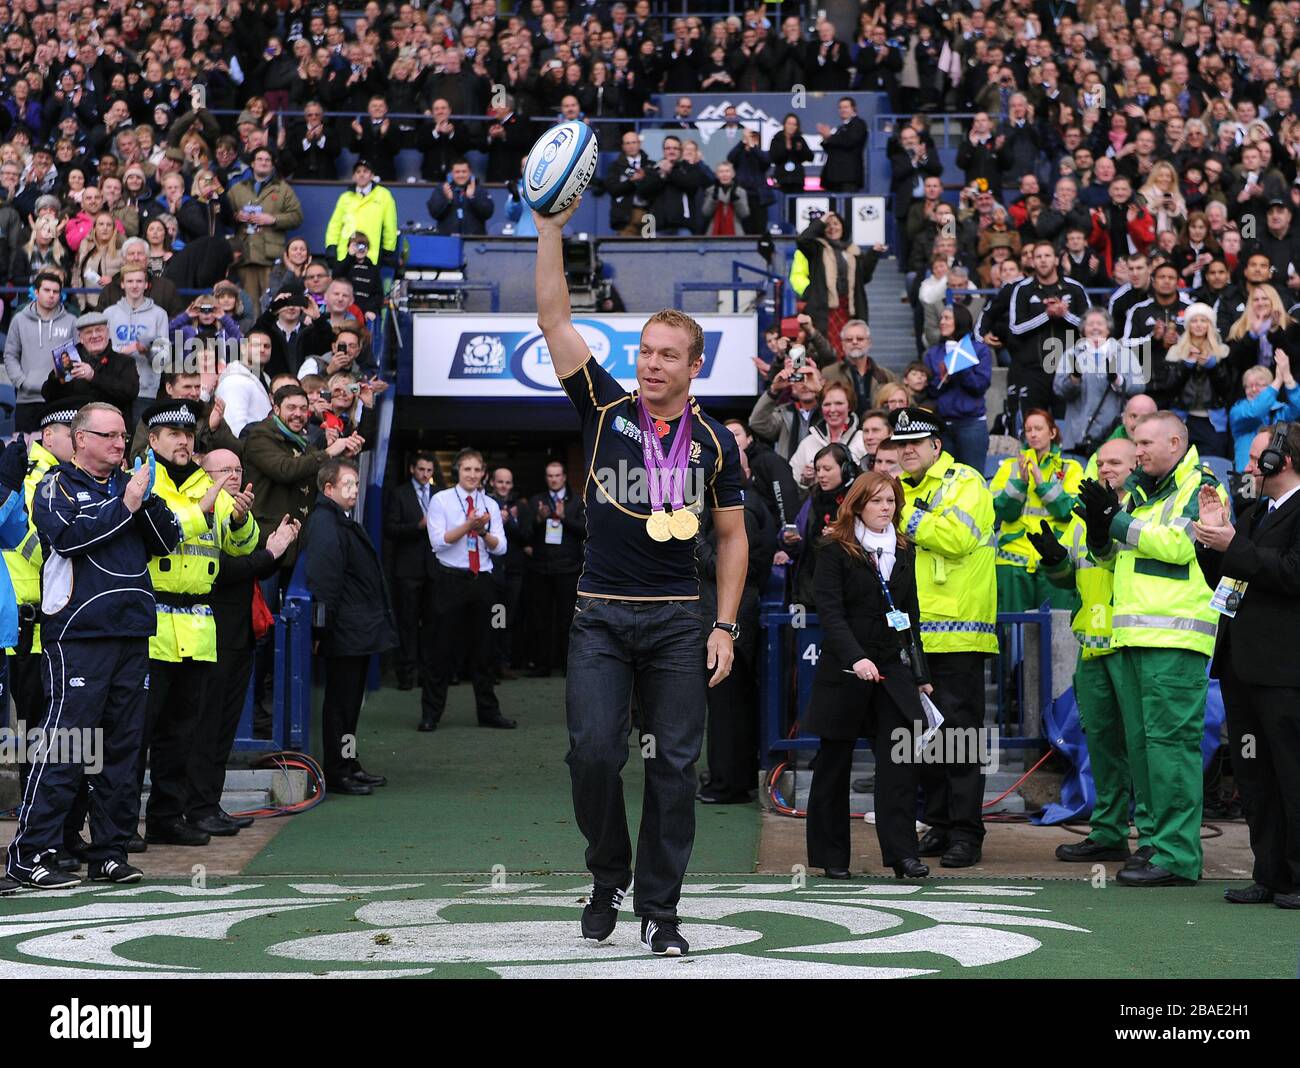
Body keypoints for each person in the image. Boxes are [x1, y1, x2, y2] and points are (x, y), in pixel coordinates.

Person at [535, 195, 747, 958]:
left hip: (676, 623)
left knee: (675, 770)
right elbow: (556, 321)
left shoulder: (716, 443)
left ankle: (661, 909)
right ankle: (606, 875)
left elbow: (732, 537)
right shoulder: (602, 406)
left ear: (695, 366)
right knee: (593, 753)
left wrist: (724, 624)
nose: (651, 363)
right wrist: (551, 229)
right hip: (599, 616)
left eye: (667, 355)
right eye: (646, 351)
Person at [6, 402, 182, 889]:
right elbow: (65, 537)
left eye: (124, 436)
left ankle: (109, 851)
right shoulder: (55, 487)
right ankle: (31, 852)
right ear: (81, 439)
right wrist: (123, 504)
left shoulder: (134, 484)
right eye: (108, 436)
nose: (120, 444)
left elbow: (168, 543)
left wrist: (144, 501)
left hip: (131, 632)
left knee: (122, 751)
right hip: (78, 635)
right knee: (66, 746)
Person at [1074, 411, 1226, 886]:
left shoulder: (1203, 486)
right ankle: (1155, 844)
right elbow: (1115, 557)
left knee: (1171, 750)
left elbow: (1182, 545)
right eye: (1135, 444)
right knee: (1144, 750)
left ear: (1175, 441)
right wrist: (1101, 532)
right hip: (1136, 638)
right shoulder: (1144, 490)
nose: (1136, 452)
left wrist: (1115, 522)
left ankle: (1177, 857)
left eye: (1143, 443)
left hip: (1176, 640)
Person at [135, 399, 259, 845]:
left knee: (180, 735)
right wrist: (203, 504)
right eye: (173, 434)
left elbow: (241, 546)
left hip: (198, 628)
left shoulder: (210, 485)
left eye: (189, 434)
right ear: (153, 440)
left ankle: (168, 819)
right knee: (138, 735)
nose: (184, 441)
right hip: (152, 627)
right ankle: (123, 824)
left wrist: (241, 519)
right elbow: (157, 535)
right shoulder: (143, 480)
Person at [804, 470, 932, 879]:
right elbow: (830, 612)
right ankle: (831, 858)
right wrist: (857, 658)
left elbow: (910, 616)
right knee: (834, 762)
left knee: (900, 760)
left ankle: (903, 855)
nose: (885, 509)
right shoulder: (833, 549)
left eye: (890, 501)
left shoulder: (905, 550)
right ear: (858, 505)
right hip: (847, 668)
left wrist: (920, 672)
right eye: (876, 501)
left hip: (892, 666)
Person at [1195, 423, 1300, 909]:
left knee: (1291, 775)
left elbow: (1289, 574)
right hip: (1241, 669)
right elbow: (1227, 579)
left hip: (1284, 673)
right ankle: (1267, 872)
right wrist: (1209, 541)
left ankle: (1296, 879)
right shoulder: (1256, 513)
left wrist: (1233, 542)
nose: (1252, 465)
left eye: (1261, 457)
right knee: (1254, 775)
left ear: (1285, 460)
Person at [890, 405, 997, 868]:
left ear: (937, 445)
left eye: (916, 442)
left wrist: (900, 514)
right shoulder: (905, 490)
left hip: (959, 636)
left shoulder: (965, 482)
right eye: (901, 444)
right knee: (926, 738)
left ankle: (966, 834)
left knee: (960, 739)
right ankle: (939, 823)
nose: (907, 450)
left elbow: (955, 538)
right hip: (916, 637)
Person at [1037, 438, 1152, 866]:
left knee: (1139, 745)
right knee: (1101, 745)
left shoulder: (1143, 506)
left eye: (1115, 462)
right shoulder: (1084, 512)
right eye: (1100, 462)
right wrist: (1053, 560)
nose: (1106, 468)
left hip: (1130, 642)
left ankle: (1154, 838)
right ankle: (1108, 832)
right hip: (1093, 642)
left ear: (1134, 464)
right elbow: (1071, 576)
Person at [189, 456, 299, 834]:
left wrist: (274, 548)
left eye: (238, 470)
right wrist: (269, 553)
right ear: (206, 475)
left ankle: (208, 803)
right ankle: (195, 807)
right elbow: (220, 571)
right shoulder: (200, 508)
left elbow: (252, 566)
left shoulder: (239, 511)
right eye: (225, 471)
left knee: (223, 726)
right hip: (208, 633)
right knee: (205, 725)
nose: (235, 476)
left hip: (239, 633)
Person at [303, 457, 398, 796]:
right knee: (340, 704)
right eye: (349, 484)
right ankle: (338, 770)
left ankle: (347, 763)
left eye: (357, 484)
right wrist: (321, 631)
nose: (355, 490)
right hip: (344, 631)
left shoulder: (336, 520)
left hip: (353, 631)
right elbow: (324, 581)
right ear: (328, 488)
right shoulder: (327, 523)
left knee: (348, 703)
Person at [697, 432, 773, 805]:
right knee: (730, 704)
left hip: (732, 619)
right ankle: (728, 778)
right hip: (733, 617)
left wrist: (693, 544)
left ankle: (728, 783)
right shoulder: (744, 507)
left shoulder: (744, 510)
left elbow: (735, 565)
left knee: (728, 705)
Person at [420, 448, 516, 732]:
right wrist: (469, 526)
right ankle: (431, 714)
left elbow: (502, 547)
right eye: (467, 470)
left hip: (482, 581)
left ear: (483, 473)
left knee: (485, 651)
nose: (473, 475)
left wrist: (483, 531)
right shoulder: (441, 500)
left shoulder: (489, 503)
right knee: (440, 651)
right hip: (450, 580)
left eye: (477, 470)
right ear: (457, 472)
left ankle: (489, 713)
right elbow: (439, 542)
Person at [989, 409, 1084, 612]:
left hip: (1053, 558)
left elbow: (1069, 511)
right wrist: (1020, 483)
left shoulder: (1071, 468)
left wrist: (1042, 484)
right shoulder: (1009, 466)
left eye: (1038, 428)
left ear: (1052, 432)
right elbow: (1001, 511)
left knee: (1055, 631)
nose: (1032, 434)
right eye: (1028, 429)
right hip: (1012, 559)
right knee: (1013, 632)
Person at [1006, 241, 1090, 429]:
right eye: (1038, 257)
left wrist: (1065, 315)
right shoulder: (1023, 289)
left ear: (1056, 260)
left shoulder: (1074, 288)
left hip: (1068, 369)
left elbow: (1091, 327)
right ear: (1032, 262)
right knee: (1033, 426)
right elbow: (1015, 328)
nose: (1043, 261)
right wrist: (1046, 315)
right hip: (1034, 369)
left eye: (1047, 256)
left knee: (1067, 425)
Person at [518, 461, 585, 678]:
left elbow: (586, 531)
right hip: (540, 569)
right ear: (546, 478)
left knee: (568, 619)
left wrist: (564, 518)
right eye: (550, 475)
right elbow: (525, 534)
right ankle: (542, 665)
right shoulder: (537, 501)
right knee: (540, 619)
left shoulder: (576, 501)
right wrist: (539, 518)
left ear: (564, 477)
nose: (554, 479)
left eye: (557, 475)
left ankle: (567, 665)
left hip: (568, 568)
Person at [1053, 307, 1145, 456]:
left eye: (1100, 323)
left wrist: (1117, 380)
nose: (1095, 327)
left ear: (1108, 329)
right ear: (1083, 329)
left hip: (1114, 434)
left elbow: (1139, 387)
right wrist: (1074, 378)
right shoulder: (1071, 354)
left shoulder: (1124, 354)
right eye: (1090, 324)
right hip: (1079, 436)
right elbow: (1059, 390)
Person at [383, 453, 440, 692]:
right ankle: (406, 673)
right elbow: (391, 528)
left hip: (435, 568)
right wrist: (418, 527)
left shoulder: (440, 494)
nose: (425, 474)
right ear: (412, 469)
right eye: (421, 469)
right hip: (408, 569)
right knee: (406, 623)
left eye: (429, 470)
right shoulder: (400, 493)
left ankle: (428, 672)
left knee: (432, 623)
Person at [226, 146, 305, 304]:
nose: (263, 163)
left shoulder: (283, 189)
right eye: (259, 159)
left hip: (271, 257)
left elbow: (297, 217)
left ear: (272, 165)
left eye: (267, 160)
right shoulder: (237, 189)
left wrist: (273, 219)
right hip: (245, 255)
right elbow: (224, 216)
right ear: (252, 164)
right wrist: (236, 216)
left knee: (272, 303)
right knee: (247, 305)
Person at [921, 304, 994, 474]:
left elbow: (980, 386)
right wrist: (942, 380)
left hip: (972, 425)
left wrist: (960, 368)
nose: (942, 322)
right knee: (944, 480)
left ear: (960, 320)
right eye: (941, 318)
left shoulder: (979, 350)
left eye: (947, 318)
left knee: (973, 478)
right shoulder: (933, 353)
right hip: (942, 427)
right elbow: (931, 391)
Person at [4, 271, 78, 433]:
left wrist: (65, 383)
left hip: (60, 399)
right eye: (46, 290)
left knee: (58, 453)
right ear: (36, 292)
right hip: (27, 398)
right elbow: (10, 355)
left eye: (56, 291)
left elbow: (76, 358)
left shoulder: (71, 321)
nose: (51, 295)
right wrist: (22, 382)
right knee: (26, 451)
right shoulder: (19, 320)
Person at [796, 211, 879, 346]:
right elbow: (802, 239)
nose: (832, 228)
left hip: (849, 308)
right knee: (825, 349)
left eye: (836, 224)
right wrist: (822, 220)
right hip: (824, 308)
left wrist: (873, 254)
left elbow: (863, 278)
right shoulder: (817, 248)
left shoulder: (853, 251)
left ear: (843, 226)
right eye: (828, 225)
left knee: (848, 347)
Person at [41, 311, 139, 418]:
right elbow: (48, 395)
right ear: (81, 338)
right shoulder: (69, 359)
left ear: (107, 333)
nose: (95, 335)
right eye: (88, 332)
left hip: (112, 428)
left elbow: (130, 392)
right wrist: (56, 377)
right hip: (76, 426)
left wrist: (93, 376)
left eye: (99, 330)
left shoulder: (125, 361)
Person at [104, 266, 169, 424]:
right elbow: (102, 353)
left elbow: (163, 359)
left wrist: (148, 351)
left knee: (140, 442)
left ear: (147, 285)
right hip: (115, 388)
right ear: (122, 284)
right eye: (130, 281)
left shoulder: (159, 314)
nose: (134, 285)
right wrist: (126, 350)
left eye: (139, 281)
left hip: (145, 390)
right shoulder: (109, 314)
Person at [788, 381, 868, 491]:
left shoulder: (864, 440)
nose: (832, 410)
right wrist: (805, 480)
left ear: (850, 406)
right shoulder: (808, 443)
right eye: (827, 404)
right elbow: (792, 482)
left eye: (839, 403)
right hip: (819, 505)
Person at [324, 159, 397, 272]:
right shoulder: (345, 197)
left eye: (365, 171)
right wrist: (331, 246)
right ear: (353, 176)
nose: (361, 174)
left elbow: (390, 225)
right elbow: (335, 225)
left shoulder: (384, 195)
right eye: (358, 172)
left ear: (372, 175)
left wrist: (388, 250)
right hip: (345, 253)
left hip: (371, 253)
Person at [427, 158, 495, 237]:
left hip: (473, 240)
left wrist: (472, 198)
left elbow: (488, 213)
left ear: (470, 173)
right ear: (452, 174)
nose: (461, 175)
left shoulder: (479, 189)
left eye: (464, 171)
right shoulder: (442, 189)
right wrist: (448, 200)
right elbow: (434, 213)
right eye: (457, 172)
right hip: (447, 240)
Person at [816, 97, 868, 193]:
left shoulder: (858, 123)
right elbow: (833, 150)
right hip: (834, 178)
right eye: (840, 108)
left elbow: (850, 141)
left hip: (848, 177)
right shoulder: (840, 128)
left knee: (847, 206)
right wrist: (826, 138)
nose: (842, 110)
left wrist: (830, 137)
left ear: (854, 109)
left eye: (846, 107)